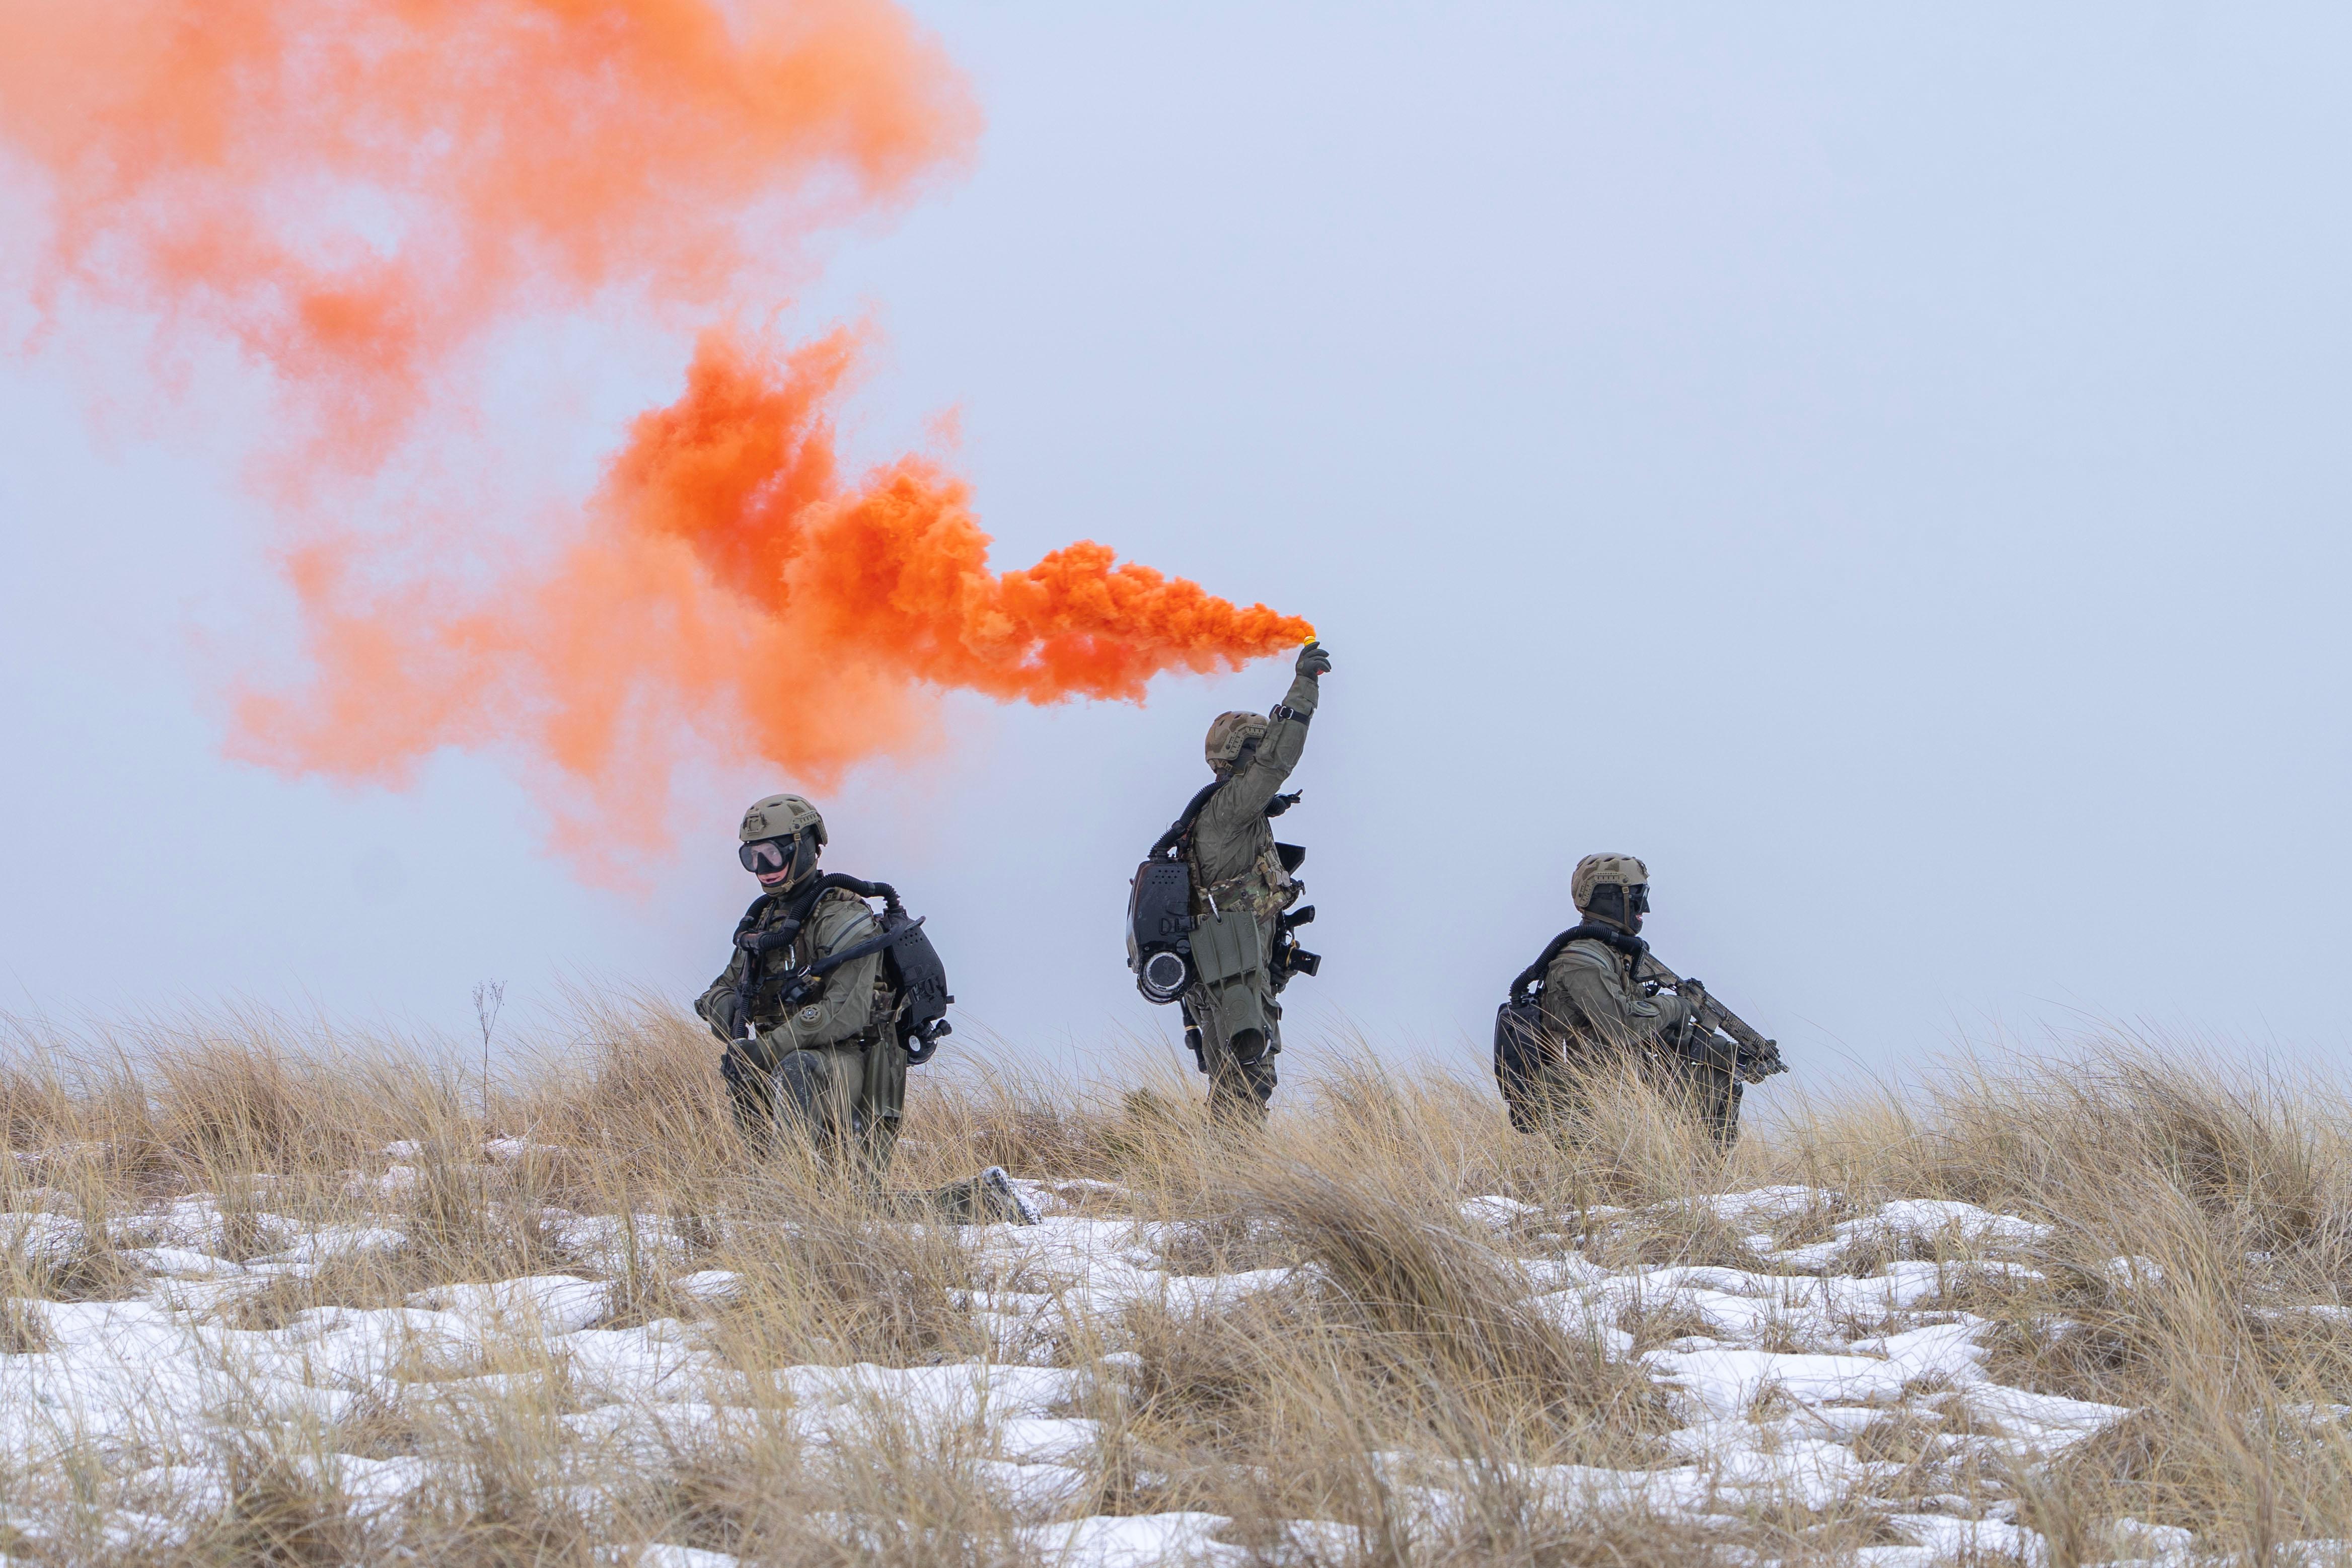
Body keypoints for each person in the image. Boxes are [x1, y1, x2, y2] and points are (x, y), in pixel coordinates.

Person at [695, 793, 1034, 1221]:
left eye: (773, 854)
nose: (764, 869)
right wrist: (727, 1010)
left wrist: (768, 1048)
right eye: (752, 857)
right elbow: (719, 989)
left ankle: (784, 1203)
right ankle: (779, 1197)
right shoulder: (766, 925)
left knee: (798, 1073)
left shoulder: (842, 917)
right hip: (797, 1069)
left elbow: (844, 1010)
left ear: (805, 847)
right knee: (848, 1208)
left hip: (859, 1065)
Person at [1173, 640, 1330, 1122]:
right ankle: (1234, 1181)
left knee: (1235, 1083)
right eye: (1256, 748)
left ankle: (1224, 1175)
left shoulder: (1221, 815)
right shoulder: (1227, 810)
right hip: (1231, 976)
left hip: (1227, 972)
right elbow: (1277, 763)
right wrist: (1304, 688)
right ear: (1242, 755)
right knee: (1248, 1078)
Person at [1525, 853, 1744, 1143]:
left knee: (1722, 1082)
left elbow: (1652, 1028)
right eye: (1638, 895)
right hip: (1585, 1096)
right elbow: (1624, 1027)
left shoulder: (1613, 955)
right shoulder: (1583, 962)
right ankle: (1704, 1182)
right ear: (1610, 898)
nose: (1646, 907)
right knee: (1716, 1087)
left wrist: (1727, 1054)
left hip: (1620, 1087)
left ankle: (1708, 1183)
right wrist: (1676, 1005)